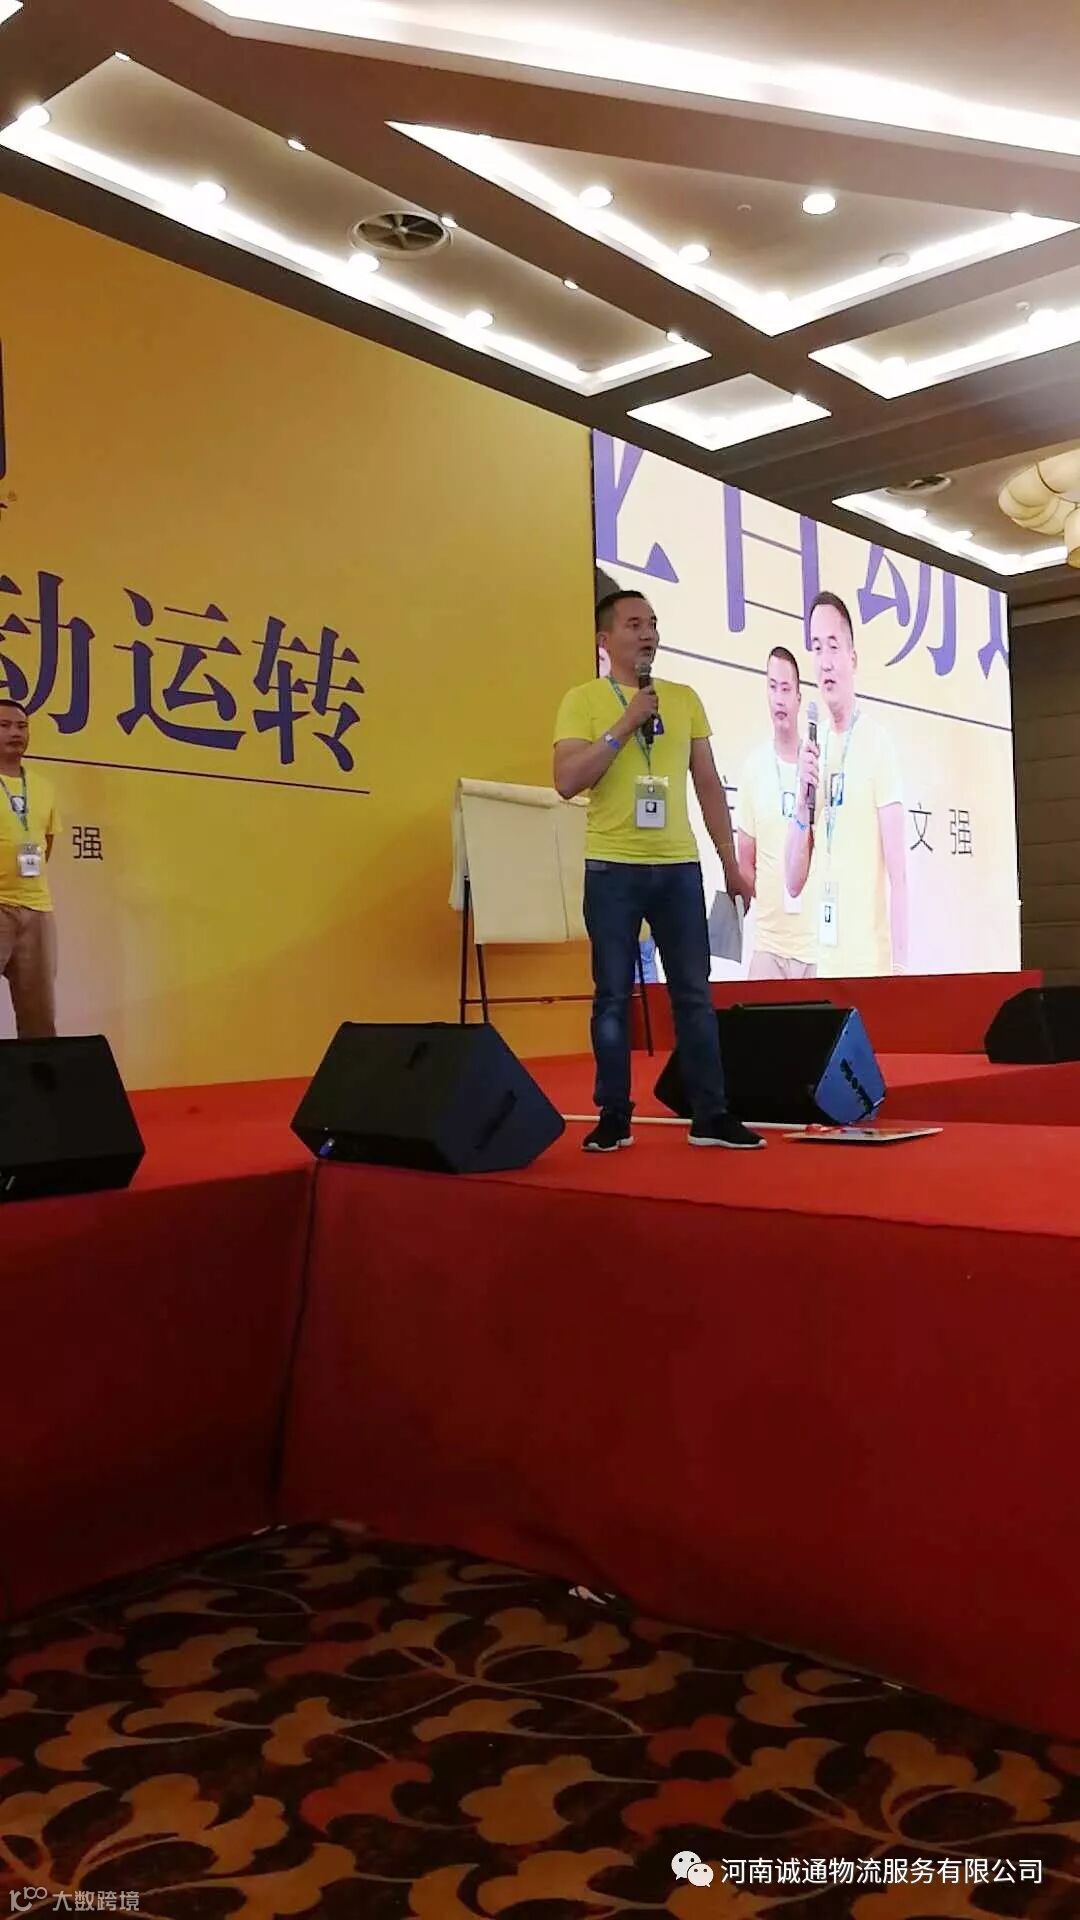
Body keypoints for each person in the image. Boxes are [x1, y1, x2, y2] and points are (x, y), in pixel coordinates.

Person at [554, 590, 764, 1152]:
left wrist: (730, 862)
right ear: (605, 639)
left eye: (651, 623)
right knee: (612, 995)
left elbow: (708, 783)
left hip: (678, 868)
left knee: (693, 994)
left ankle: (711, 1114)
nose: (647, 633)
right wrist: (625, 723)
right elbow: (567, 780)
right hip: (612, 867)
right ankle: (613, 1114)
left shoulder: (684, 698)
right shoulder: (583, 700)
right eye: (633, 624)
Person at [785, 591, 908, 976]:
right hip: (824, 966)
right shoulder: (812, 748)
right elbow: (792, 882)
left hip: (871, 968)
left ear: (852, 659)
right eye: (816, 647)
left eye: (833, 646)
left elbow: (899, 877)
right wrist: (803, 801)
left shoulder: (878, 744)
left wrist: (901, 969)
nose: (824, 661)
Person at [737, 645, 818, 981]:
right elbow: (745, 861)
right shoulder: (754, 768)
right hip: (768, 946)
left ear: (799, 698)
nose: (779, 699)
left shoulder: (817, 766)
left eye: (786, 689)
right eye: (773, 688)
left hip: (817, 949)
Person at [0, 696, 60, 1037]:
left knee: (39, 1019)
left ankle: (38, 1074)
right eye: (5, 725)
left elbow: (46, 843)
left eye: (22, 726)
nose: (15, 733)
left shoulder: (43, 787)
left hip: (37, 910)